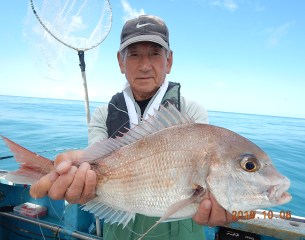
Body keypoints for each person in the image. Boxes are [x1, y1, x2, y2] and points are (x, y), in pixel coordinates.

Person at [30, 15, 237, 239]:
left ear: (169, 61)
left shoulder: (191, 113)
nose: (145, 65)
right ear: (121, 61)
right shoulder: (103, 115)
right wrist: (76, 178)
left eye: (155, 53)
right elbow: (93, 166)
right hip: (119, 230)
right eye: (134, 54)